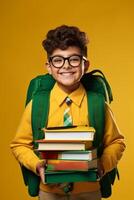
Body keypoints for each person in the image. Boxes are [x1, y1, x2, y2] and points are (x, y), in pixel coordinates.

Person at [10, 25, 125, 200]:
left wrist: (102, 165)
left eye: (74, 59)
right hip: (49, 192)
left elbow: (116, 142)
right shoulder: (38, 105)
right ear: (49, 66)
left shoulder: (97, 104)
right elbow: (19, 144)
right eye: (58, 60)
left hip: (89, 190)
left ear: (85, 64)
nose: (66, 66)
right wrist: (37, 165)